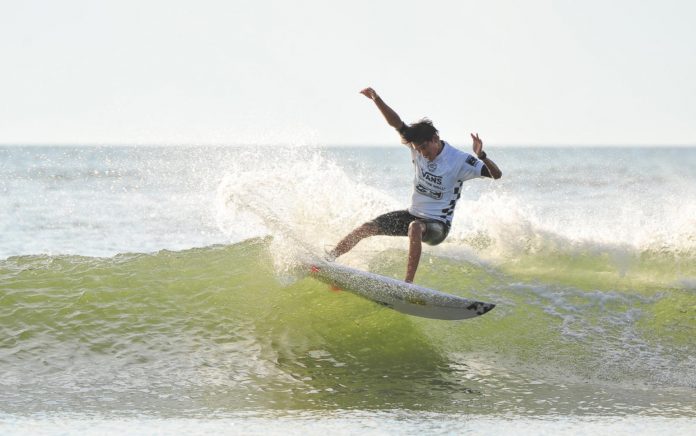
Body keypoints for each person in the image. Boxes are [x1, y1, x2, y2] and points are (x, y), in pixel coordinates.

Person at [325, 87, 503, 283]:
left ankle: (407, 284)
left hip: (438, 225)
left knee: (415, 227)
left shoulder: (459, 160)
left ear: (435, 139)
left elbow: (496, 175)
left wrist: (481, 155)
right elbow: (397, 123)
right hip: (413, 214)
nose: (422, 153)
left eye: (425, 147)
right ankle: (328, 259)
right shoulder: (416, 147)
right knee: (366, 227)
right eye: (418, 149)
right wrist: (376, 99)